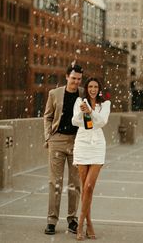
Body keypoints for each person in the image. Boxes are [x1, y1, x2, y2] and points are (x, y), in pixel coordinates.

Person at [43, 64, 84, 235]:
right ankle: (51, 221)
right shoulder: (55, 94)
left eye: (79, 79)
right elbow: (48, 116)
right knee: (55, 183)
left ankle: (72, 220)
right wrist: (48, 136)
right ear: (67, 77)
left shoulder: (84, 95)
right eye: (73, 78)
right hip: (57, 140)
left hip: (77, 142)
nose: (76, 82)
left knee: (75, 184)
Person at [72, 77, 111, 240]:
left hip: (97, 146)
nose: (93, 89)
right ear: (86, 88)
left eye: (95, 87)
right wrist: (82, 111)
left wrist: (91, 112)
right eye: (90, 86)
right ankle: (89, 222)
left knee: (89, 186)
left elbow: (102, 122)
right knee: (84, 186)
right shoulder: (79, 101)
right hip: (82, 144)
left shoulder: (105, 105)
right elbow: (75, 121)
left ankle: (80, 224)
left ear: (99, 89)